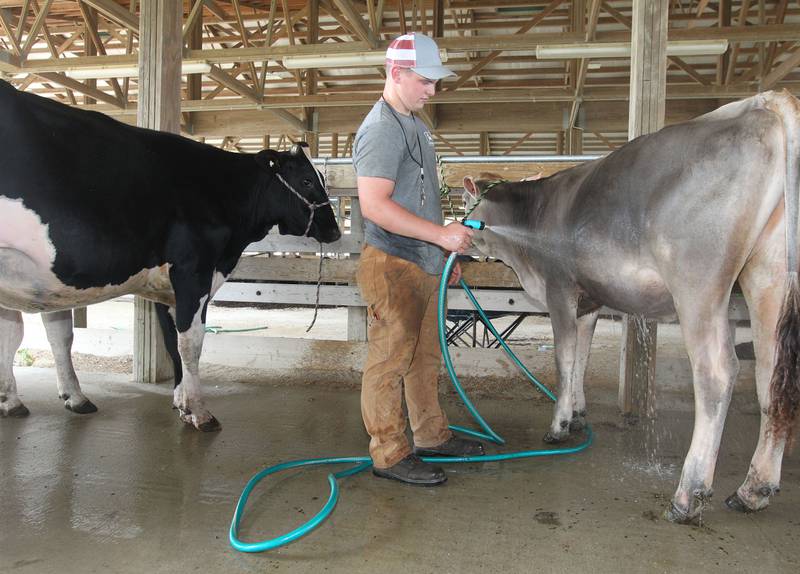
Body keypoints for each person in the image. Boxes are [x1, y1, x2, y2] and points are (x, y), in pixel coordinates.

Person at [353, 32, 485, 486]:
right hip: (391, 263)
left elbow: (421, 199)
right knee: (390, 361)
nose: (432, 90)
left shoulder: (416, 127)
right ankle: (389, 454)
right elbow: (375, 206)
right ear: (397, 73)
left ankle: (430, 435)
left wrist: (442, 250)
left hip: (422, 262)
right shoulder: (381, 129)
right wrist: (440, 236)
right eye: (425, 81)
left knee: (425, 357)